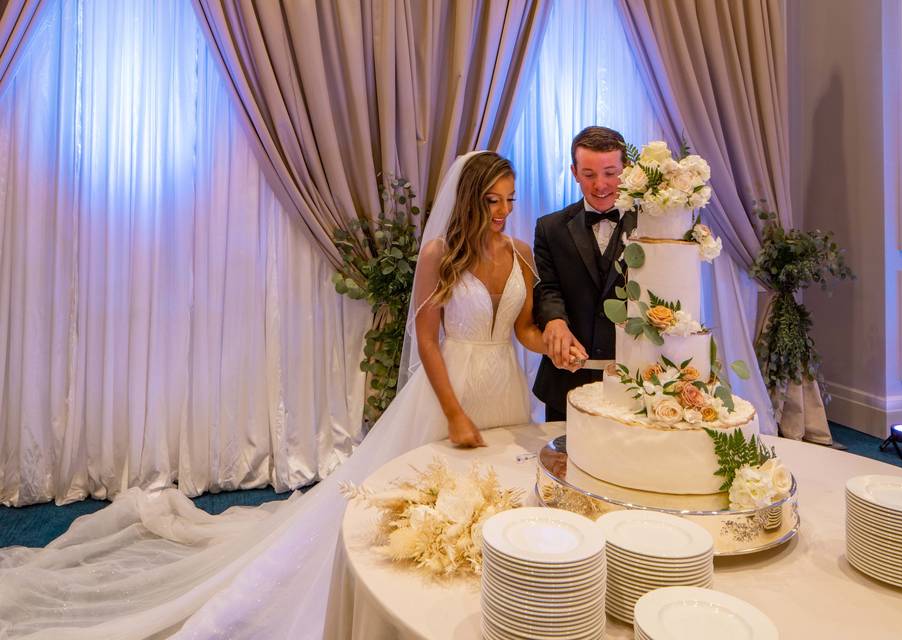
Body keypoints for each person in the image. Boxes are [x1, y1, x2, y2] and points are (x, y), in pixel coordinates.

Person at [0, 151, 581, 639]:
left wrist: (553, 342)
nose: (504, 212)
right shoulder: (438, 256)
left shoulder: (520, 255)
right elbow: (427, 341)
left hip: (502, 385)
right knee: (424, 497)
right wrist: (453, 412)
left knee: (491, 496)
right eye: (492, 202)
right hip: (448, 388)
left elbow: (523, 329)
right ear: (469, 200)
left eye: (509, 199)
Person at [533, 125, 636, 422]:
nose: (600, 185)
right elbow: (548, 287)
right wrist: (554, 320)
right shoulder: (549, 228)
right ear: (574, 171)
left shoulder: (654, 225)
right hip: (565, 381)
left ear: (625, 170)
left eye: (610, 172)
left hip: (632, 384)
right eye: (589, 175)